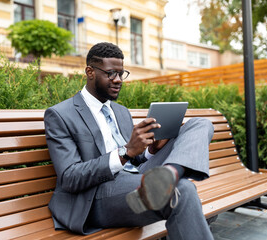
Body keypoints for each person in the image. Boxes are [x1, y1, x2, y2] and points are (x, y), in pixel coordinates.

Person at [44, 42, 215, 239]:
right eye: (111, 73)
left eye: (121, 74)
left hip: (135, 180)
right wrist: (125, 152)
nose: (118, 80)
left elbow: (135, 159)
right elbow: (69, 178)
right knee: (182, 190)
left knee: (200, 124)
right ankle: (168, 179)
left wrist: (152, 151)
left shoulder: (121, 112)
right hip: (96, 196)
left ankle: (170, 172)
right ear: (90, 72)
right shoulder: (61, 114)